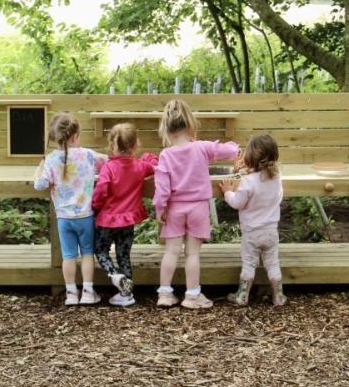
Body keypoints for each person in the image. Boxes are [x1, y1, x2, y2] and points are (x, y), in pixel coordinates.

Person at [153, 99, 239, 309]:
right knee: (192, 253)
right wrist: (233, 146)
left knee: (171, 251)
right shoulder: (202, 148)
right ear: (190, 124)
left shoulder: (165, 155)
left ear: (167, 129)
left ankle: (165, 294)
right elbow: (231, 151)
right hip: (198, 208)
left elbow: (162, 187)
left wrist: (159, 209)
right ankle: (192, 296)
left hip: (174, 208)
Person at [34, 113, 109, 306]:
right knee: (87, 253)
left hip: (64, 219)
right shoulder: (88, 155)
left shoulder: (50, 160)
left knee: (68, 256)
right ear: (75, 135)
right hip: (86, 216)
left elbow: (40, 185)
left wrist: (39, 168)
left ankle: (71, 294)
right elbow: (107, 163)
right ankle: (88, 292)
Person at [92, 123, 158, 307]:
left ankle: (114, 276)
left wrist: (94, 205)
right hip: (128, 221)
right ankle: (126, 294)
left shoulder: (108, 168)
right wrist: (148, 157)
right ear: (135, 144)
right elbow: (154, 165)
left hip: (106, 220)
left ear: (112, 145)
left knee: (101, 250)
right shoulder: (140, 166)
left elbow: (101, 191)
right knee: (124, 255)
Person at [219, 134, 287, 307]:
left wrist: (228, 192)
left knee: (249, 264)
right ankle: (279, 296)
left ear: (251, 156)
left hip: (252, 232)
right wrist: (240, 170)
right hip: (271, 231)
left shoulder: (248, 181)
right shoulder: (277, 177)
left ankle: (242, 296)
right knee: (272, 263)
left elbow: (237, 203)